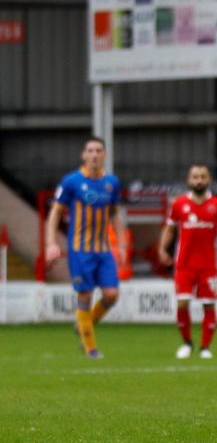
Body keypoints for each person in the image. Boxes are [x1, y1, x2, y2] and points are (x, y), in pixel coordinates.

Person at [45, 137, 127, 358]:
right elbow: (55, 213)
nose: (94, 155)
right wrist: (51, 243)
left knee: (111, 295)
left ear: (105, 155)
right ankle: (90, 347)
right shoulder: (71, 181)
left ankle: (84, 324)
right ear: (83, 155)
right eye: (90, 151)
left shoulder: (112, 182)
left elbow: (114, 214)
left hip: (103, 249)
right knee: (85, 295)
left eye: (99, 151)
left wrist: (121, 244)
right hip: (80, 250)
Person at [158, 165, 217, 359]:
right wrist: (162, 248)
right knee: (183, 303)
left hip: (209, 265)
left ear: (209, 180)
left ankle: (205, 347)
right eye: (195, 177)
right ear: (189, 180)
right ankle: (187, 343)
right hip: (184, 263)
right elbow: (170, 228)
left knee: (209, 305)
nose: (198, 180)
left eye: (202, 177)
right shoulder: (179, 204)